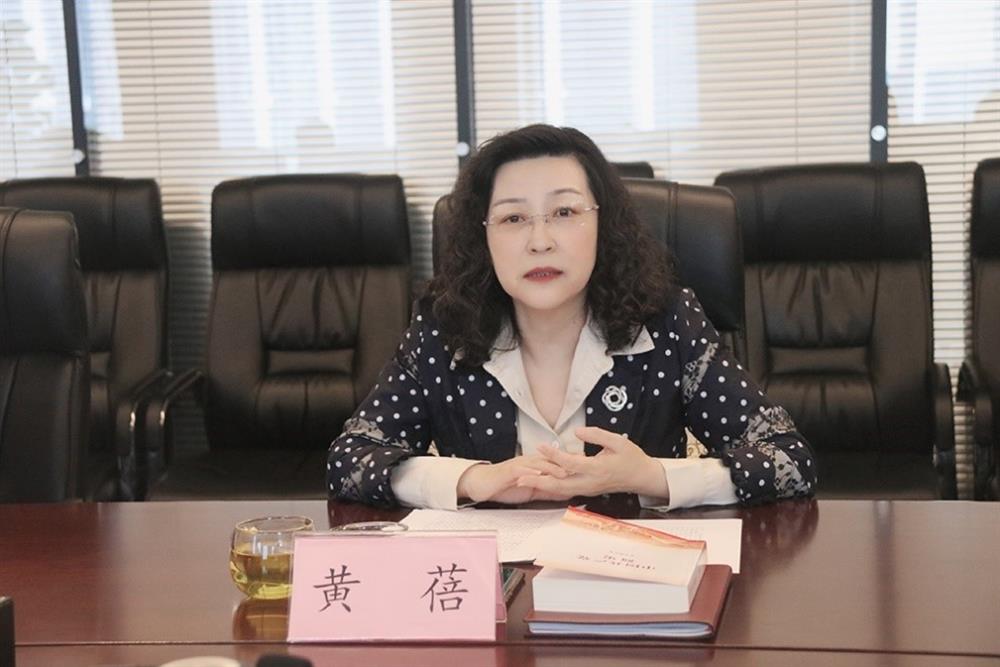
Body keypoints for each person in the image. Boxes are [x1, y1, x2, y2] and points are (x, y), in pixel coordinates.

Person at [327, 124, 815, 509]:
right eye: (513, 218)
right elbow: (349, 460)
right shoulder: (442, 327)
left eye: (564, 213)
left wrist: (651, 477)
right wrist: (472, 480)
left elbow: (790, 461)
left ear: (603, 224)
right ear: (483, 237)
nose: (540, 241)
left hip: (632, 583)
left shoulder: (666, 321)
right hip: (497, 587)